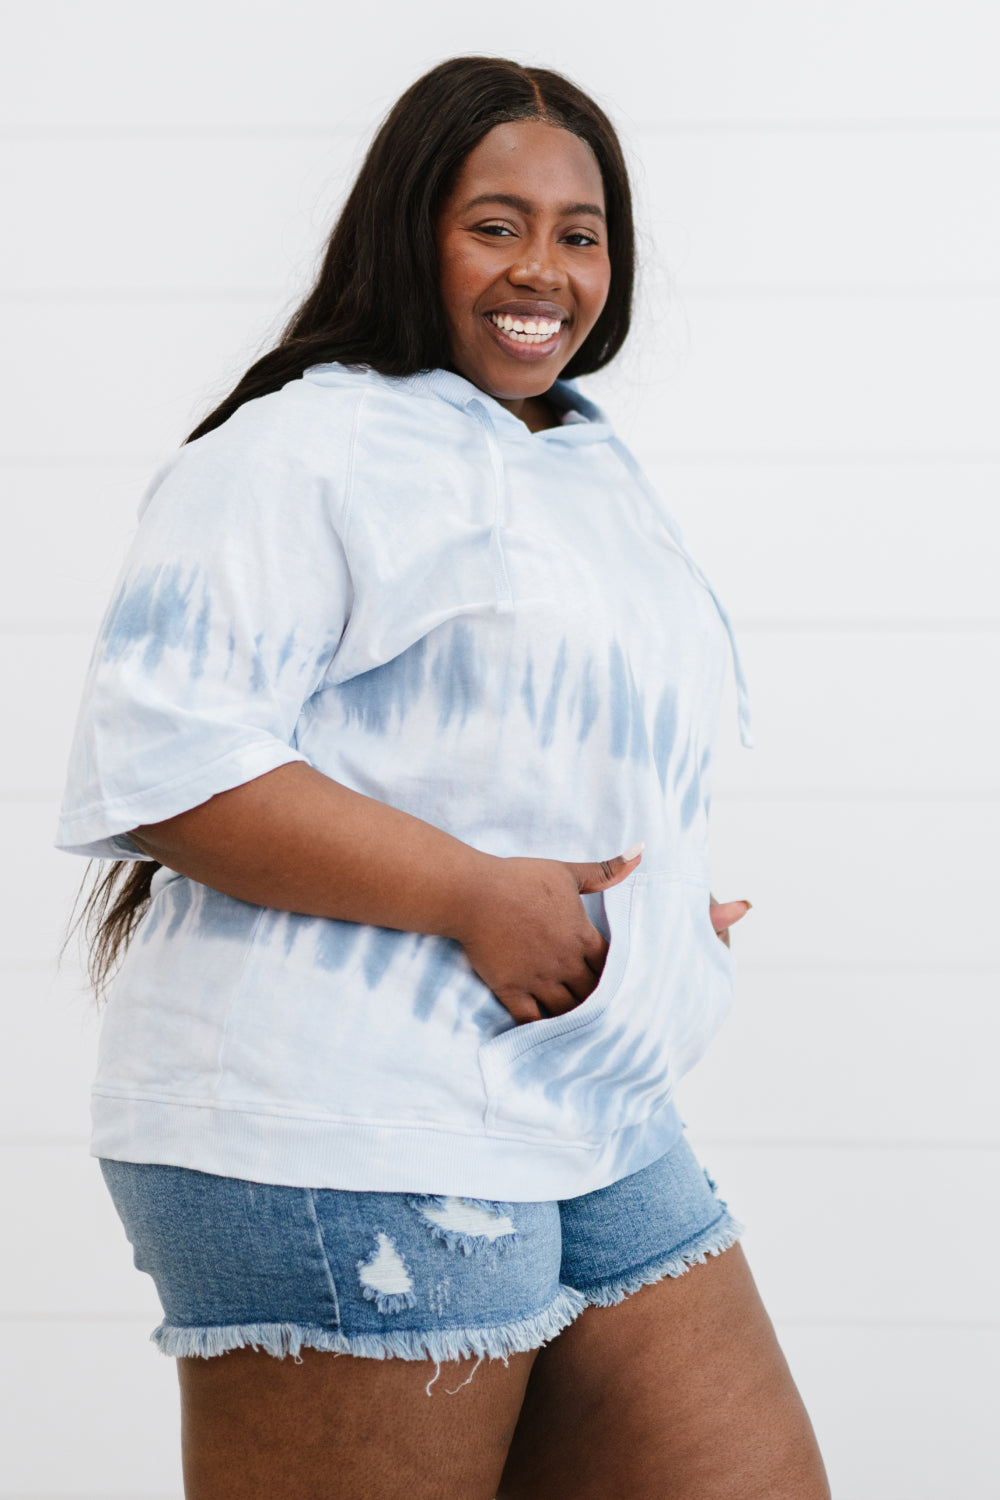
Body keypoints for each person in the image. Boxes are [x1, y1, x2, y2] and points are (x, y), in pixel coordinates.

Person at [58, 55, 830, 1500]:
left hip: (586, 1098)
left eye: (579, 232)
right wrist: (481, 897)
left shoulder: (583, 462)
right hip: (339, 1114)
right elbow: (166, 764)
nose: (544, 268)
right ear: (410, 232)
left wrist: (650, 914)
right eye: (496, 223)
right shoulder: (302, 447)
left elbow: (504, 748)